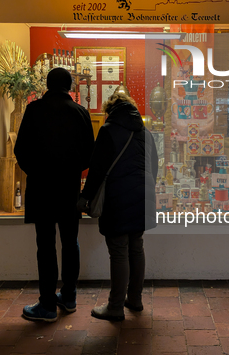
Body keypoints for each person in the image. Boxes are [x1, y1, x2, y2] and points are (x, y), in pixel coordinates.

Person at [14, 67, 94, 322]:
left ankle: (47, 304)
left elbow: (21, 150)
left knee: (45, 245)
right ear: (70, 86)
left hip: (41, 188)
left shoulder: (34, 110)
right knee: (71, 243)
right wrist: (70, 171)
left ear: (47, 85)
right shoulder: (80, 113)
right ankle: (69, 297)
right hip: (68, 188)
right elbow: (88, 155)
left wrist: (37, 171)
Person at [79, 92, 158, 321]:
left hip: (118, 196)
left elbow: (97, 170)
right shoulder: (146, 132)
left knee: (119, 251)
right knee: (136, 246)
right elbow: (153, 166)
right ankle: (135, 299)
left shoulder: (108, 131)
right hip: (143, 196)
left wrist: (85, 197)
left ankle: (115, 307)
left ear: (110, 110)